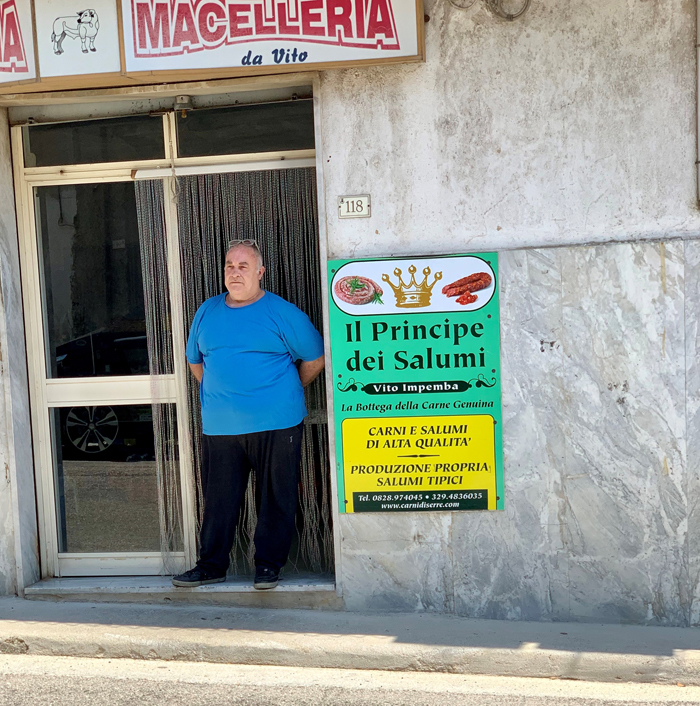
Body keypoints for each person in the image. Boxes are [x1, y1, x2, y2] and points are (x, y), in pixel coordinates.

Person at [172, 239, 325, 590]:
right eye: (229, 265)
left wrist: (282, 391)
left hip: (277, 422)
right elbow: (196, 361)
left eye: (243, 266)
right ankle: (211, 566)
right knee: (219, 501)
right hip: (220, 426)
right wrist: (222, 394)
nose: (234, 272)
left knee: (276, 497)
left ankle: (268, 566)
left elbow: (315, 358)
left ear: (260, 272)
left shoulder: (282, 312)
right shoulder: (207, 311)